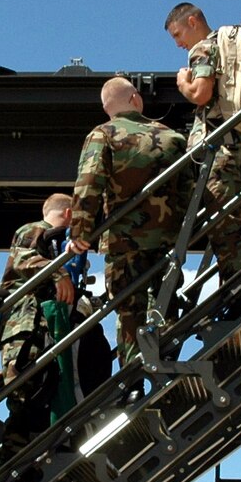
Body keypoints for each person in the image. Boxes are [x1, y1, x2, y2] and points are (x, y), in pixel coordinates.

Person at [69, 76, 190, 364]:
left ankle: (133, 379)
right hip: (167, 239)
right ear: (136, 99)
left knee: (129, 310)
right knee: (165, 298)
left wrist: (81, 232)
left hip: (124, 241)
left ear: (106, 108)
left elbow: (88, 184)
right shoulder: (173, 137)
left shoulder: (104, 134)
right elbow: (188, 190)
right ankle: (168, 356)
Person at [169, 3, 241, 281]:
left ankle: (235, 294)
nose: (178, 43)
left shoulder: (203, 48)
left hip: (222, 149)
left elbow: (200, 93)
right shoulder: (234, 49)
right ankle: (240, 287)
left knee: (224, 225)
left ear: (192, 21)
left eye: (177, 34)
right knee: (240, 223)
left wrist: (183, 84)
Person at [0, 194, 79, 443]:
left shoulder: (53, 242)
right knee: (25, 394)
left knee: (41, 389)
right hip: (23, 324)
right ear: (68, 214)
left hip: (37, 323)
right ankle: (15, 462)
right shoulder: (36, 230)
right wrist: (59, 273)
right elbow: (23, 258)